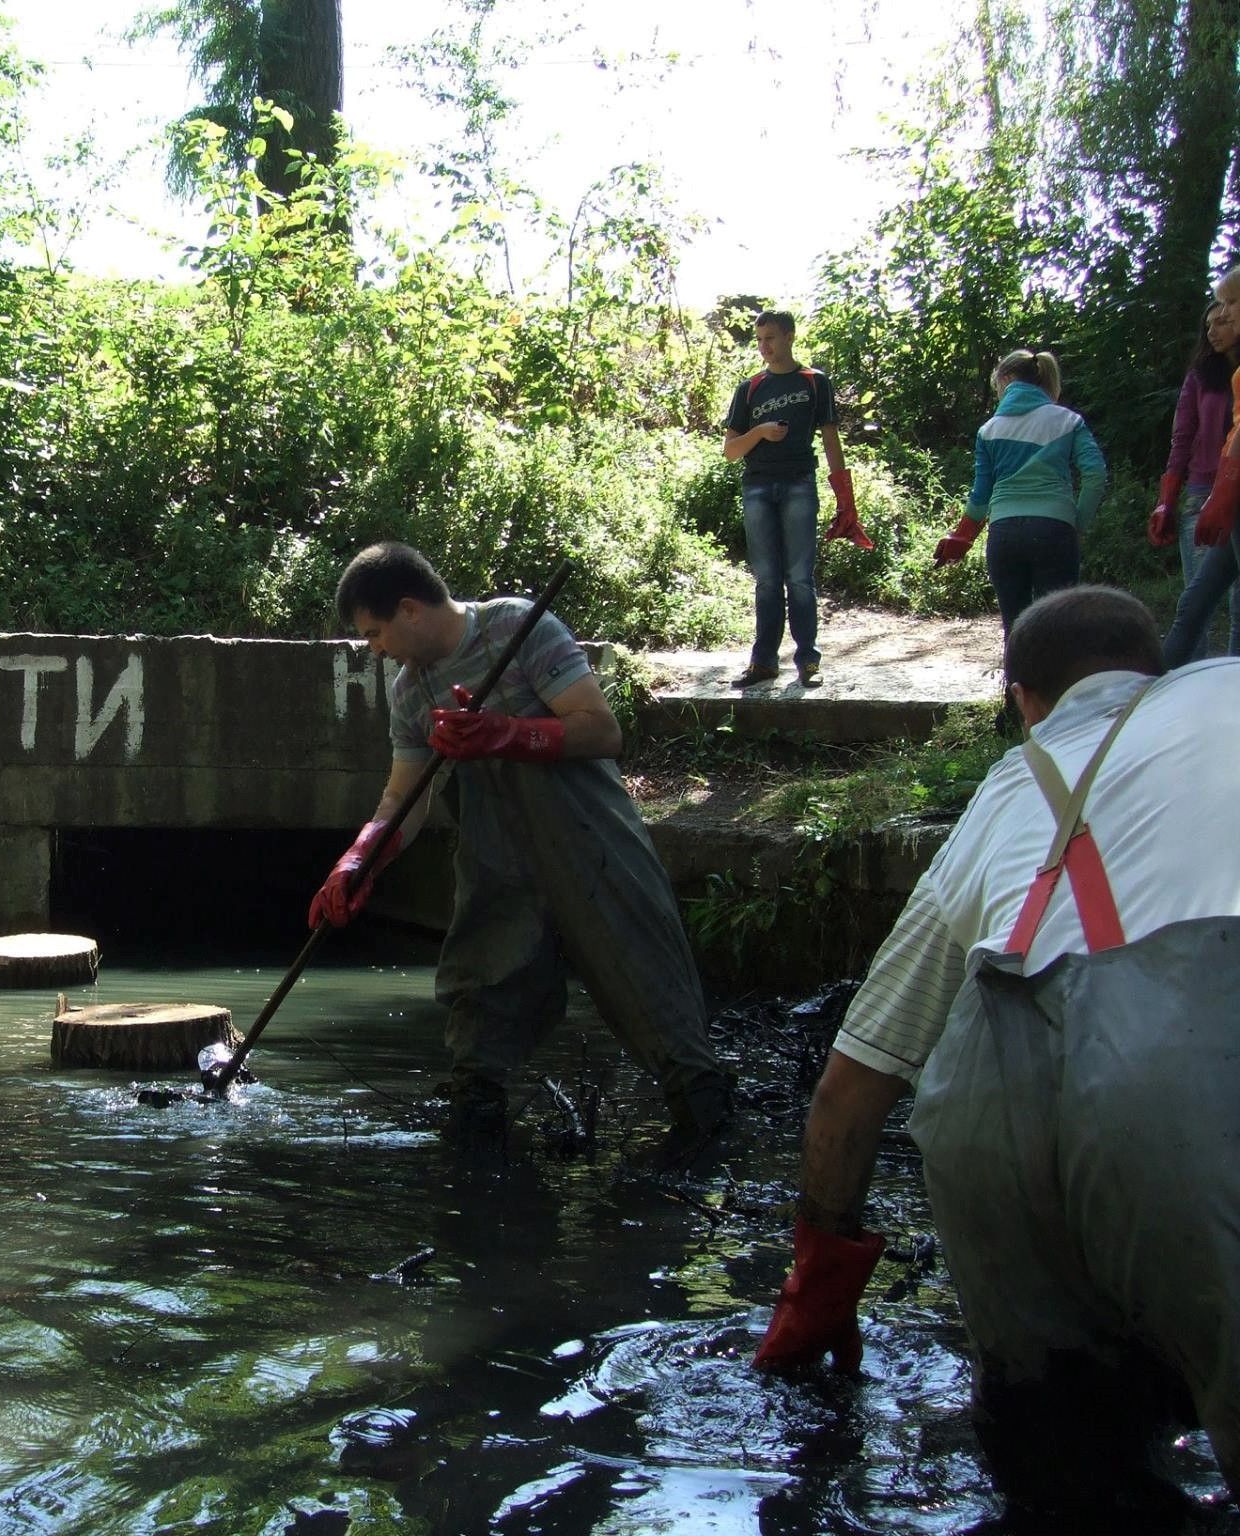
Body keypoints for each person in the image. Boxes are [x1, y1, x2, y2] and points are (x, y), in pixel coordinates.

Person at [753, 585, 1240, 1518]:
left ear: (1021, 698)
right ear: (1159, 669)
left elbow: (851, 1086)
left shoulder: (1008, 790)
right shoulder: (1223, 696)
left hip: (983, 1126)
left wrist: (817, 1290)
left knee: (1063, 1482)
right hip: (1186, 1102)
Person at [310, 542, 733, 1154]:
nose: (374, 648)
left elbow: (601, 730)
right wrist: (359, 860)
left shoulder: (516, 625)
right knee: (483, 989)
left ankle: (706, 1127)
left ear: (410, 610)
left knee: (646, 979)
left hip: (589, 840)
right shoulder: (410, 693)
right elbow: (403, 800)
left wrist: (507, 732)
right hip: (498, 856)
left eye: (375, 633)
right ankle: (476, 1137)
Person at [720, 309, 867, 692]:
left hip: (800, 484)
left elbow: (831, 439)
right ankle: (764, 662)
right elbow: (731, 450)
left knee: (800, 578)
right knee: (766, 580)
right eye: (759, 340)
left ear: (789, 337)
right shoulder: (749, 388)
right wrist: (760, 432)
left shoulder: (814, 382)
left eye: (770, 338)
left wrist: (845, 499)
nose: (763, 347)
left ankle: (808, 662)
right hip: (757, 487)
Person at [933, 350, 1108, 633]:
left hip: (1005, 534)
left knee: (1015, 632)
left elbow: (980, 497)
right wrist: (1078, 521)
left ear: (1006, 379)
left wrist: (961, 537)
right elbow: (1095, 474)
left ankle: (1016, 678)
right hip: (1055, 530)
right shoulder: (1067, 420)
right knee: (1059, 630)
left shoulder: (989, 430)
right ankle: (1057, 679)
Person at [1148, 302, 1236, 662]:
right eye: (1208, 325)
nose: (1213, 331)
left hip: (1237, 491)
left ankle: (1233, 692)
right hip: (1203, 492)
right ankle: (1174, 689)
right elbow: (1182, 438)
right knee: (1195, 600)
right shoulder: (1201, 376)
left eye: (1223, 321)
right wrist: (1167, 500)